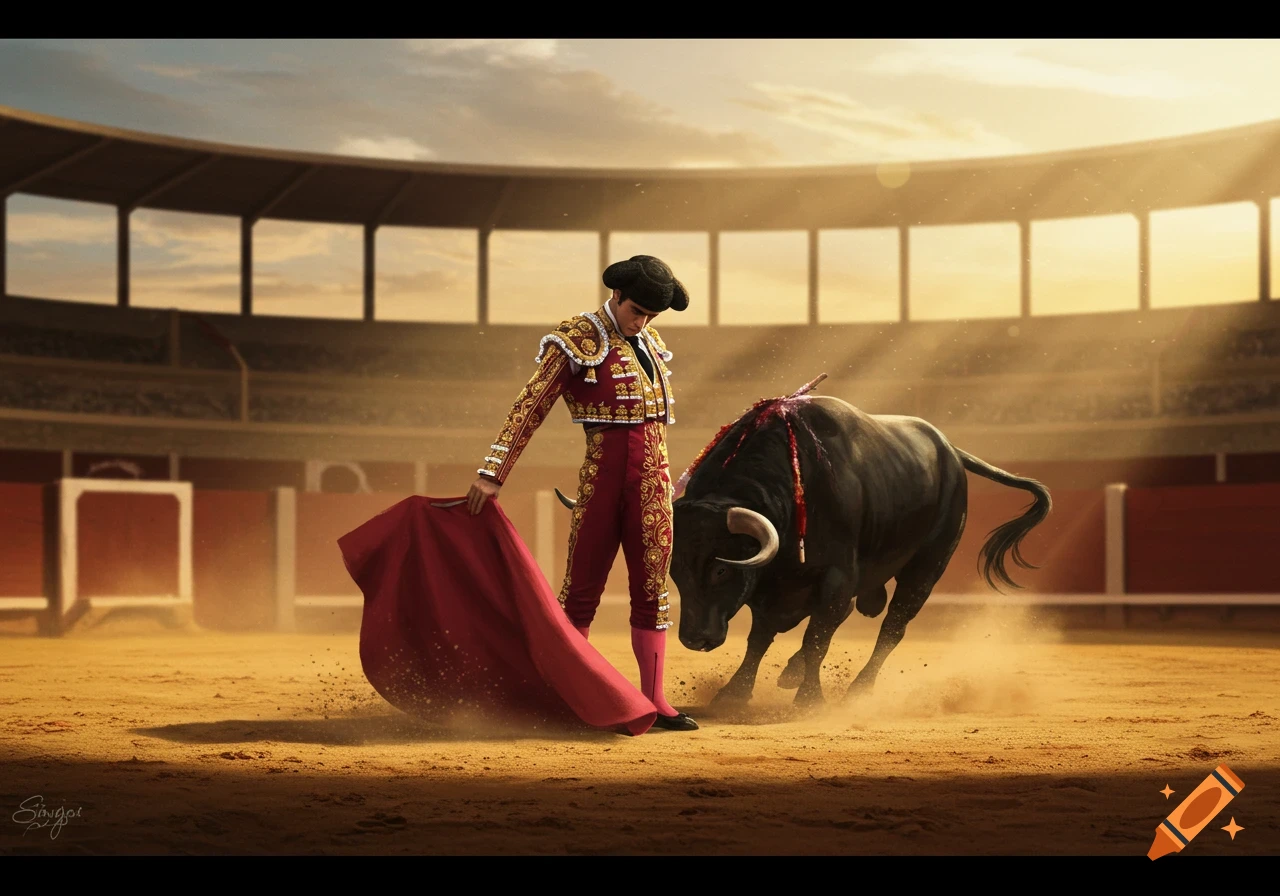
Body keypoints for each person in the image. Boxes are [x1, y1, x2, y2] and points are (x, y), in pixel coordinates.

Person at [466, 255, 698, 732]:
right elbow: (531, 404)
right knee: (582, 589)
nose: (643, 322)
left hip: (653, 476)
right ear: (615, 296)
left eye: (652, 315)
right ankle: (573, 698)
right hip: (603, 474)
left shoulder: (650, 341)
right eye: (637, 311)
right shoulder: (577, 337)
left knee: (653, 588)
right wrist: (494, 471)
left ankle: (653, 699)